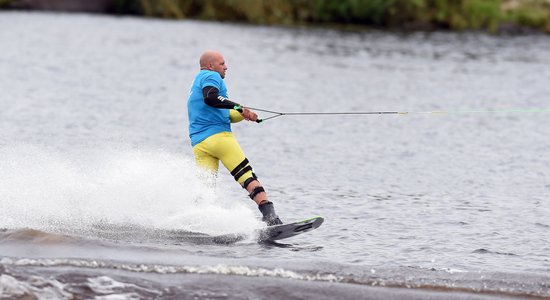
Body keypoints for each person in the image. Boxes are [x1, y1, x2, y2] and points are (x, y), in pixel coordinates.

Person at [187, 50, 283, 226]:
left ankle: (196, 223)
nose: (226, 67)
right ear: (211, 66)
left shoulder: (196, 84)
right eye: (222, 63)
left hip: (200, 144)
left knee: (205, 188)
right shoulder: (211, 76)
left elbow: (222, 112)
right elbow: (211, 98)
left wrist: (245, 114)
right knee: (246, 175)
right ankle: (271, 218)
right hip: (219, 139)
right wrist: (239, 106)